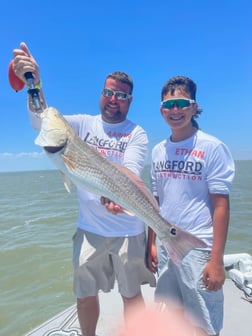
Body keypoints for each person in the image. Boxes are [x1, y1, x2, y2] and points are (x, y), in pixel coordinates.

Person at [13, 42, 156, 336]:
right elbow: (41, 119)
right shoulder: (79, 124)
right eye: (108, 92)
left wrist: (119, 197)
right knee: (85, 294)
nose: (112, 99)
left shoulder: (136, 132)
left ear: (130, 100)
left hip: (129, 229)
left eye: (120, 95)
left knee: (131, 295)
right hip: (89, 228)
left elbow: (129, 170)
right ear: (101, 94)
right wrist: (34, 84)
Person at [146, 76, 235, 336]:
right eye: (169, 104)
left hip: (198, 247)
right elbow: (155, 203)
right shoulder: (158, 150)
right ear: (162, 109)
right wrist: (151, 243)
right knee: (171, 314)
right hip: (165, 246)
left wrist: (216, 260)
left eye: (182, 103)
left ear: (194, 107)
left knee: (202, 321)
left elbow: (221, 205)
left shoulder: (212, 147)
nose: (175, 110)